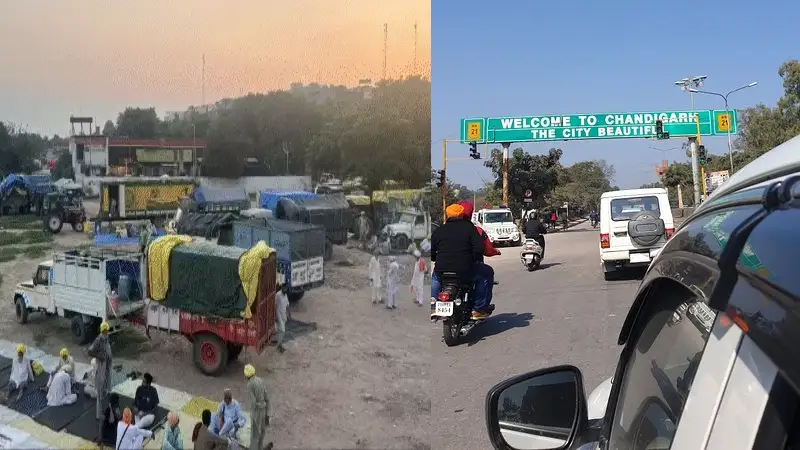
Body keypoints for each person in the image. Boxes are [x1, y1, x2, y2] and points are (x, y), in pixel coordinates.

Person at [429, 204, 485, 319]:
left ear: (447, 215)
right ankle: (477, 309)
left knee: (435, 278)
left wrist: (435, 258)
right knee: (486, 274)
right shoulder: (469, 228)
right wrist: (474, 258)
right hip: (464, 270)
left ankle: (433, 305)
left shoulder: (439, 230)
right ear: (461, 214)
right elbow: (479, 248)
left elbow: (431, 250)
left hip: (442, 270)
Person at [458, 201, 500, 319]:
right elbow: (487, 249)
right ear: (471, 214)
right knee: (486, 273)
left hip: (447, 269)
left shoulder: (446, 228)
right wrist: (496, 252)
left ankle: (433, 302)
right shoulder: (476, 230)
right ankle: (478, 308)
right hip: (469, 266)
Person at [88, 321, 113, 441]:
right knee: (100, 392)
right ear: (104, 330)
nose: (107, 332)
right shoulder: (99, 340)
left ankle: (107, 413)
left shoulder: (106, 338)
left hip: (107, 369)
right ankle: (100, 415)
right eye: (106, 330)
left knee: (107, 391)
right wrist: (100, 357)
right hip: (101, 369)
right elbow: (90, 351)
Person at [244, 364, 274, 450]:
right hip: (264, 410)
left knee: (254, 435)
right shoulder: (259, 380)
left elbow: (253, 402)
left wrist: (252, 414)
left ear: (247, 375)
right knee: (262, 432)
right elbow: (266, 396)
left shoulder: (250, 384)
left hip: (257, 412)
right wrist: (267, 412)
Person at [275, 281, 290, 353]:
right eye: (284, 288)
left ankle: (279, 344)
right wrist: (275, 316)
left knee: (280, 330)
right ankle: (279, 345)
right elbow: (275, 306)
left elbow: (287, 305)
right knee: (283, 330)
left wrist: (289, 314)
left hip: (284, 314)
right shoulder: (278, 295)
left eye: (286, 288)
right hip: (278, 314)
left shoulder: (286, 295)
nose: (285, 289)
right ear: (282, 288)